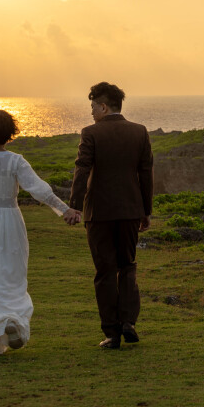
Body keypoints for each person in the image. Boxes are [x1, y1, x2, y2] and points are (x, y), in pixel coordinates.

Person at [0, 110, 81, 355]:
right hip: (9, 220)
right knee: (9, 275)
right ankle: (10, 321)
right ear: (10, 134)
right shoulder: (16, 160)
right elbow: (39, 189)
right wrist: (64, 209)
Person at [68, 82, 153, 349]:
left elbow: (82, 169)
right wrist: (146, 210)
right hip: (130, 210)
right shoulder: (139, 132)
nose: (92, 112)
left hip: (99, 212)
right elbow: (146, 174)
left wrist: (75, 205)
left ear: (103, 106)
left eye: (93, 107)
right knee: (127, 265)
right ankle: (129, 322)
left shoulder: (90, 133)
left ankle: (112, 333)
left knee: (105, 271)